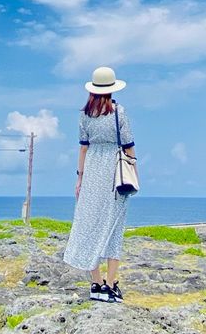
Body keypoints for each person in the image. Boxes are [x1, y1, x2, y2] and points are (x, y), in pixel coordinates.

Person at [63, 66, 137, 303]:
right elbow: (128, 145)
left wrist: (80, 178)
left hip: (92, 170)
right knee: (114, 227)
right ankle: (113, 284)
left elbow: (83, 147)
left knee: (89, 226)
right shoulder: (119, 112)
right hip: (114, 173)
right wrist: (133, 168)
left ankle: (96, 284)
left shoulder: (85, 114)